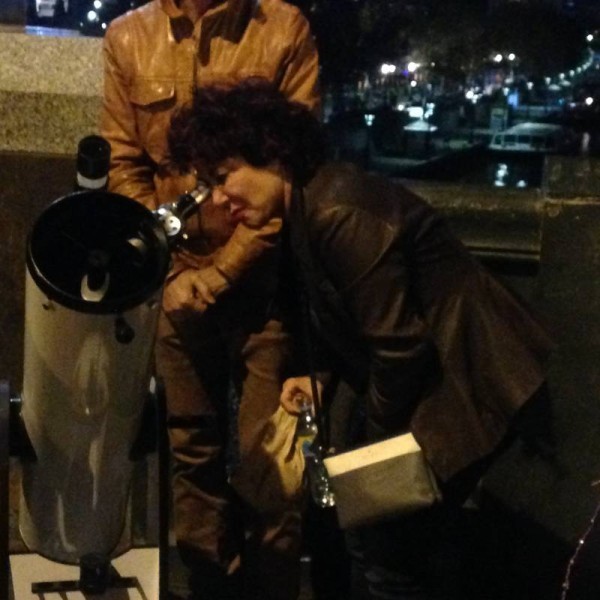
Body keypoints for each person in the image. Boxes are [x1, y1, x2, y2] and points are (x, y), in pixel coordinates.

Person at [166, 78, 556, 600]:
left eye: (223, 176)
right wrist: (319, 379)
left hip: (467, 381)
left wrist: (369, 455)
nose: (218, 199)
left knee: (388, 555)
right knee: (373, 544)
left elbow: (399, 347)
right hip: (428, 382)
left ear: (271, 154)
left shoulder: (338, 211)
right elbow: (345, 319)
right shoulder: (308, 204)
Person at [99, 3, 320, 599]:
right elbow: (125, 167)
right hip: (174, 283)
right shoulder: (128, 35)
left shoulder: (281, 27)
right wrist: (167, 269)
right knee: (188, 450)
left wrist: (218, 275)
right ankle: (205, 588)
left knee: (269, 462)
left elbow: (288, 173)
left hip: (265, 284)